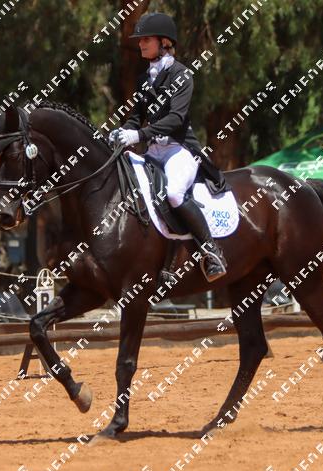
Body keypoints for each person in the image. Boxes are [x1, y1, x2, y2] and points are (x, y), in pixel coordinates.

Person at [109, 12, 228, 282]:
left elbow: (175, 118)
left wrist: (139, 135)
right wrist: (123, 131)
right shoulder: (143, 79)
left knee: (173, 193)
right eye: (140, 40)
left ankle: (212, 252)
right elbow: (135, 117)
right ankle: (159, 262)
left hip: (179, 150)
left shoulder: (181, 75)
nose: (140, 44)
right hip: (153, 152)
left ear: (164, 42)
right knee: (135, 192)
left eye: (146, 39)